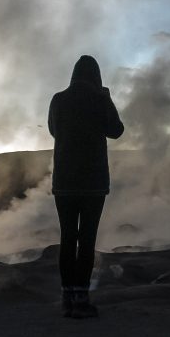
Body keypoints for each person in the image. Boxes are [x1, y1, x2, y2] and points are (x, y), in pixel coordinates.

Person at [48, 55, 124, 318]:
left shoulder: (58, 99)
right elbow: (116, 130)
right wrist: (107, 97)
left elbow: (53, 130)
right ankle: (82, 297)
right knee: (87, 239)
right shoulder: (100, 99)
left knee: (68, 238)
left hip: (64, 181)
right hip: (92, 181)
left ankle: (67, 298)